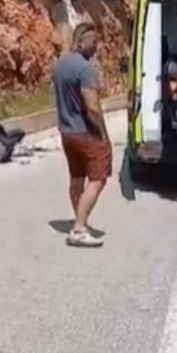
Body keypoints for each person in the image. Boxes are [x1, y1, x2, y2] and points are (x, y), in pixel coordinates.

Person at [53, 23, 110, 248]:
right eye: (93, 41)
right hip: (85, 133)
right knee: (98, 179)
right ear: (80, 42)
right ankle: (79, 229)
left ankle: (80, 219)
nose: (96, 46)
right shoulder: (85, 69)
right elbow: (92, 107)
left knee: (77, 178)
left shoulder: (60, 65)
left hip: (67, 132)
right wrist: (103, 133)